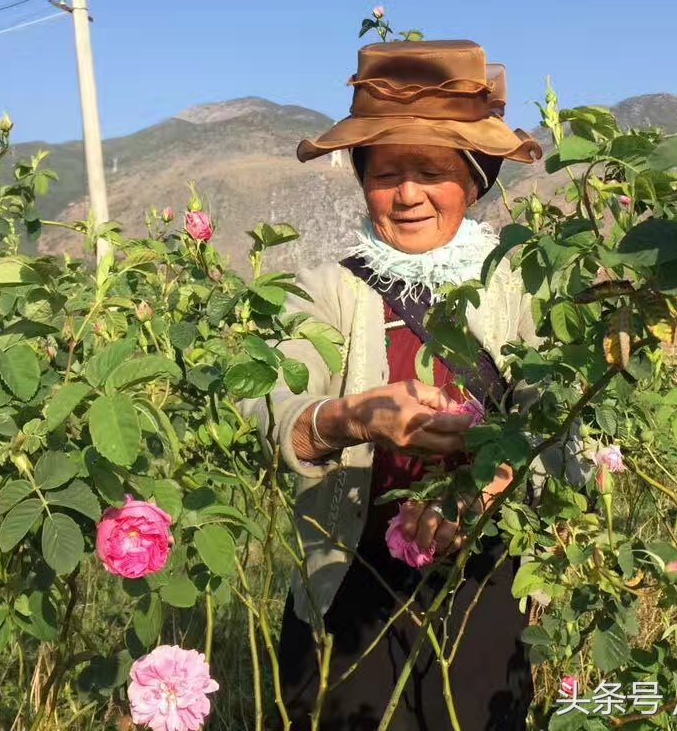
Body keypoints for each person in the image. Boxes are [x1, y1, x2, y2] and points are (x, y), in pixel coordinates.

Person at [244, 39, 588, 730]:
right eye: (387, 172)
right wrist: (349, 418)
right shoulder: (324, 293)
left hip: (485, 580)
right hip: (349, 582)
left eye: (431, 171)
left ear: (474, 180)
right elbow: (267, 407)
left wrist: (487, 487)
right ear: (363, 179)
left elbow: (565, 421)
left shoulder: (521, 285)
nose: (407, 194)